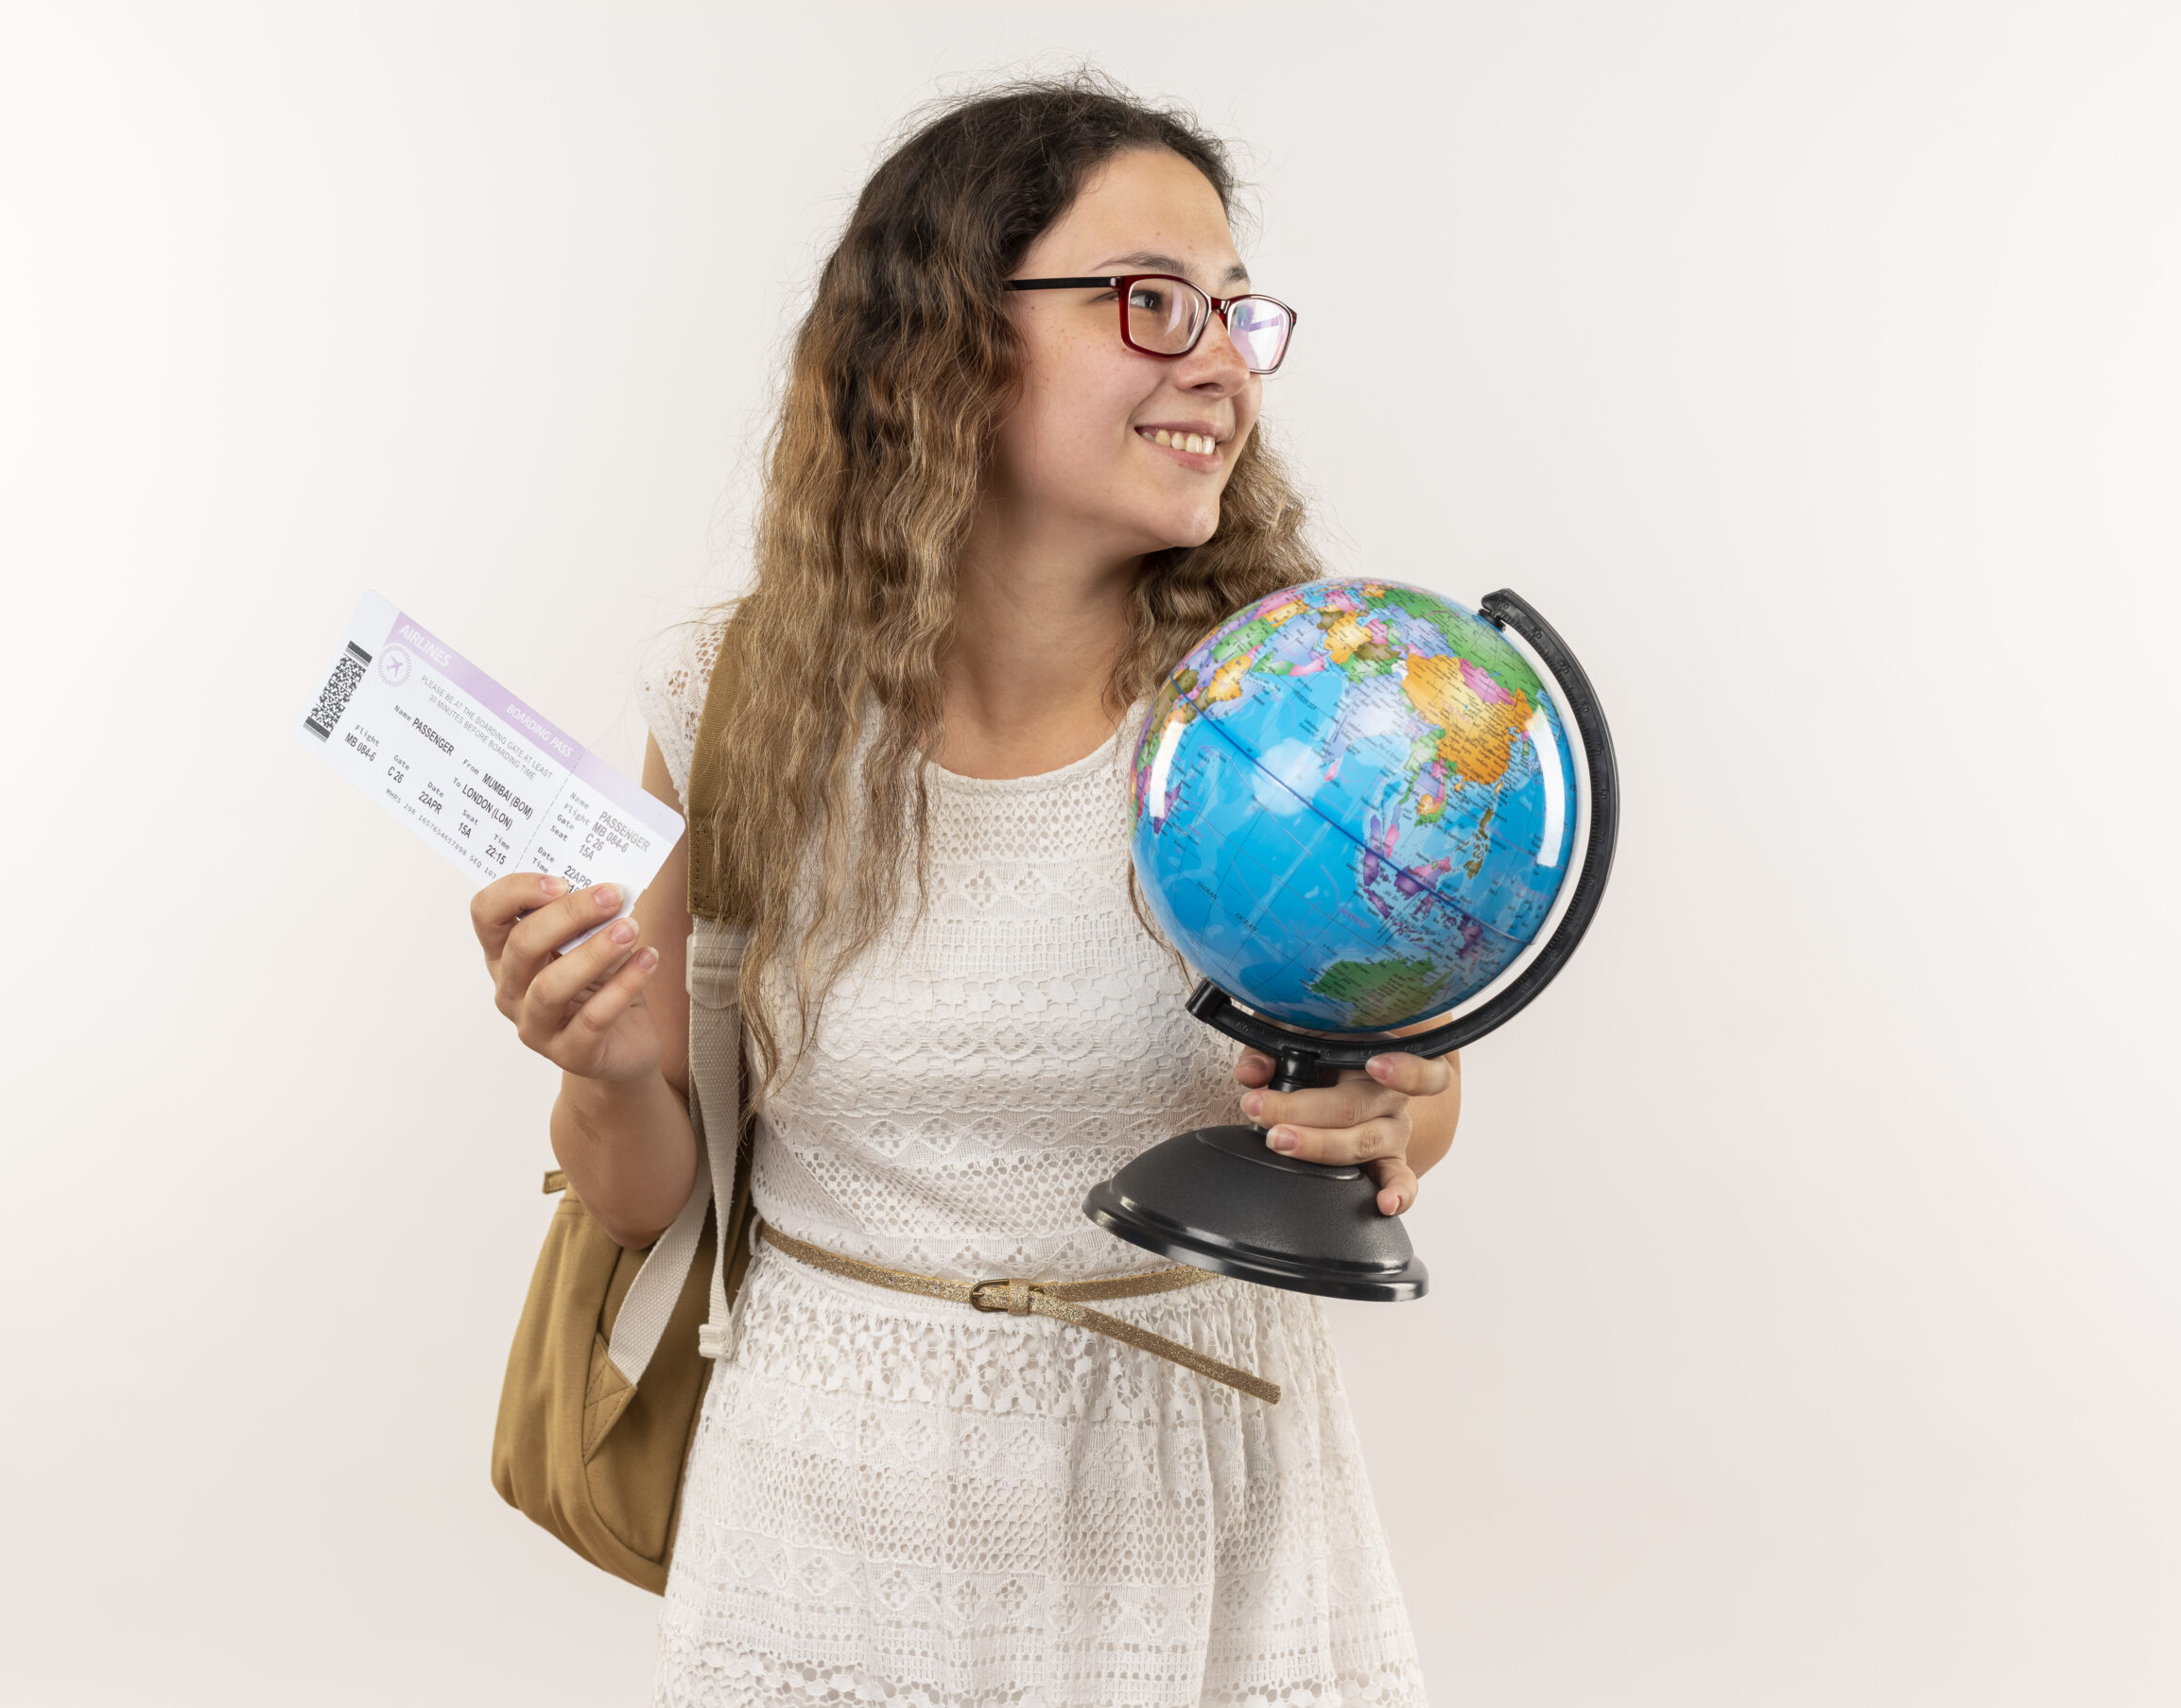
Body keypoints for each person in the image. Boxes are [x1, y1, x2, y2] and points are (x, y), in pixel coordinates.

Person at [467, 76, 1457, 1708]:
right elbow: (650, 1201)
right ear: (946, 340)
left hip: (1207, 1504)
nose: (1216, 359)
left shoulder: (1302, 703)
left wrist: (1385, 1118)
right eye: (1152, 303)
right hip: (826, 1529)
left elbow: (1410, 1109)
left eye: (1234, 311)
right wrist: (610, 1068)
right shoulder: (735, 704)